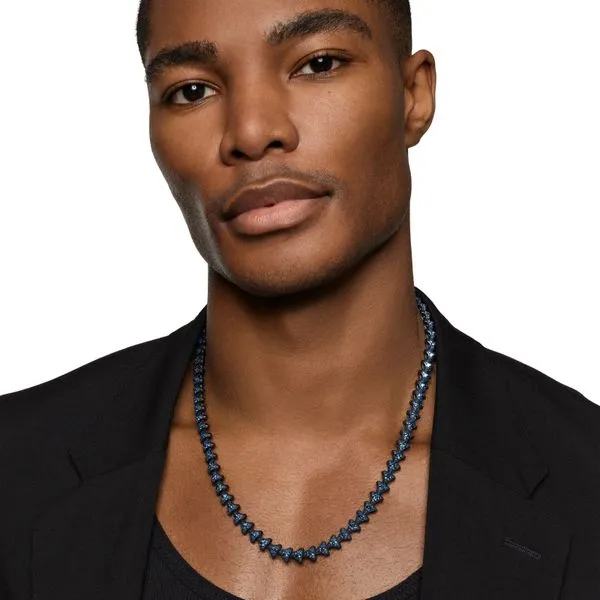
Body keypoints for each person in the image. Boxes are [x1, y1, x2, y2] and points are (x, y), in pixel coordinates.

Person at [0, 0, 598, 598]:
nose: (252, 132)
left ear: (413, 95)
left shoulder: (582, 480)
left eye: (318, 64)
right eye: (192, 91)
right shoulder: (18, 467)